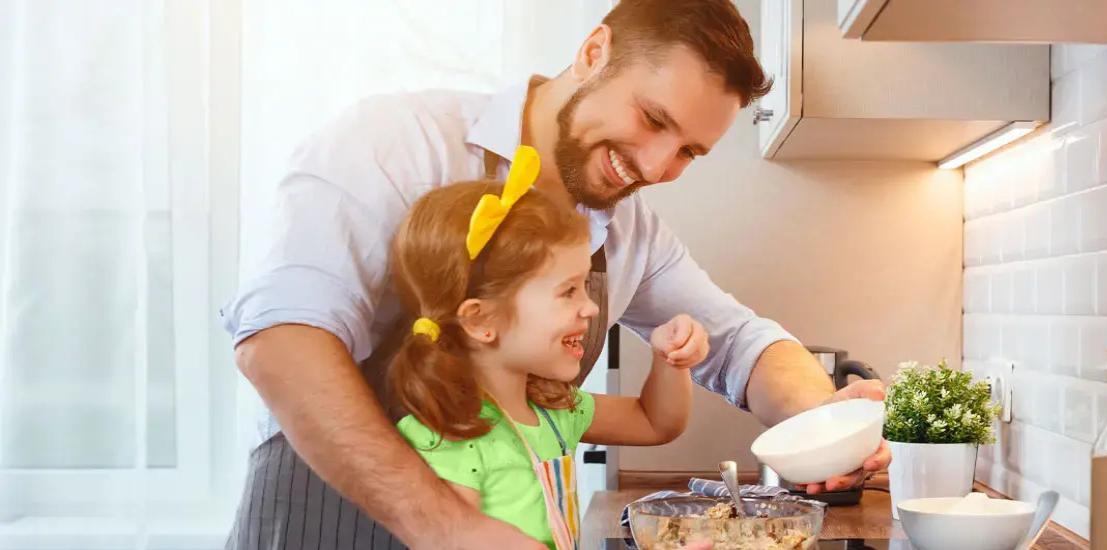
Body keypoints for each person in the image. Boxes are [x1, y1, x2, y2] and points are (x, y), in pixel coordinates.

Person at [222, 1, 888, 548]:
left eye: (688, 150)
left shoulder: (628, 232)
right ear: (593, 53)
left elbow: (740, 342)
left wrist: (823, 422)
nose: (656, 167)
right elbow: (278, 343)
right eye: (653, 119)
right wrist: (446, 524)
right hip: (320, 526)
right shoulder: (395, 142)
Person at [388, 147, 707, 549]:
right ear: (480, 320)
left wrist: (669, 360)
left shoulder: (554, 409)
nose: (591, 307)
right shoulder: (446, 435)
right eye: (568, 291)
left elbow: (655, 422)